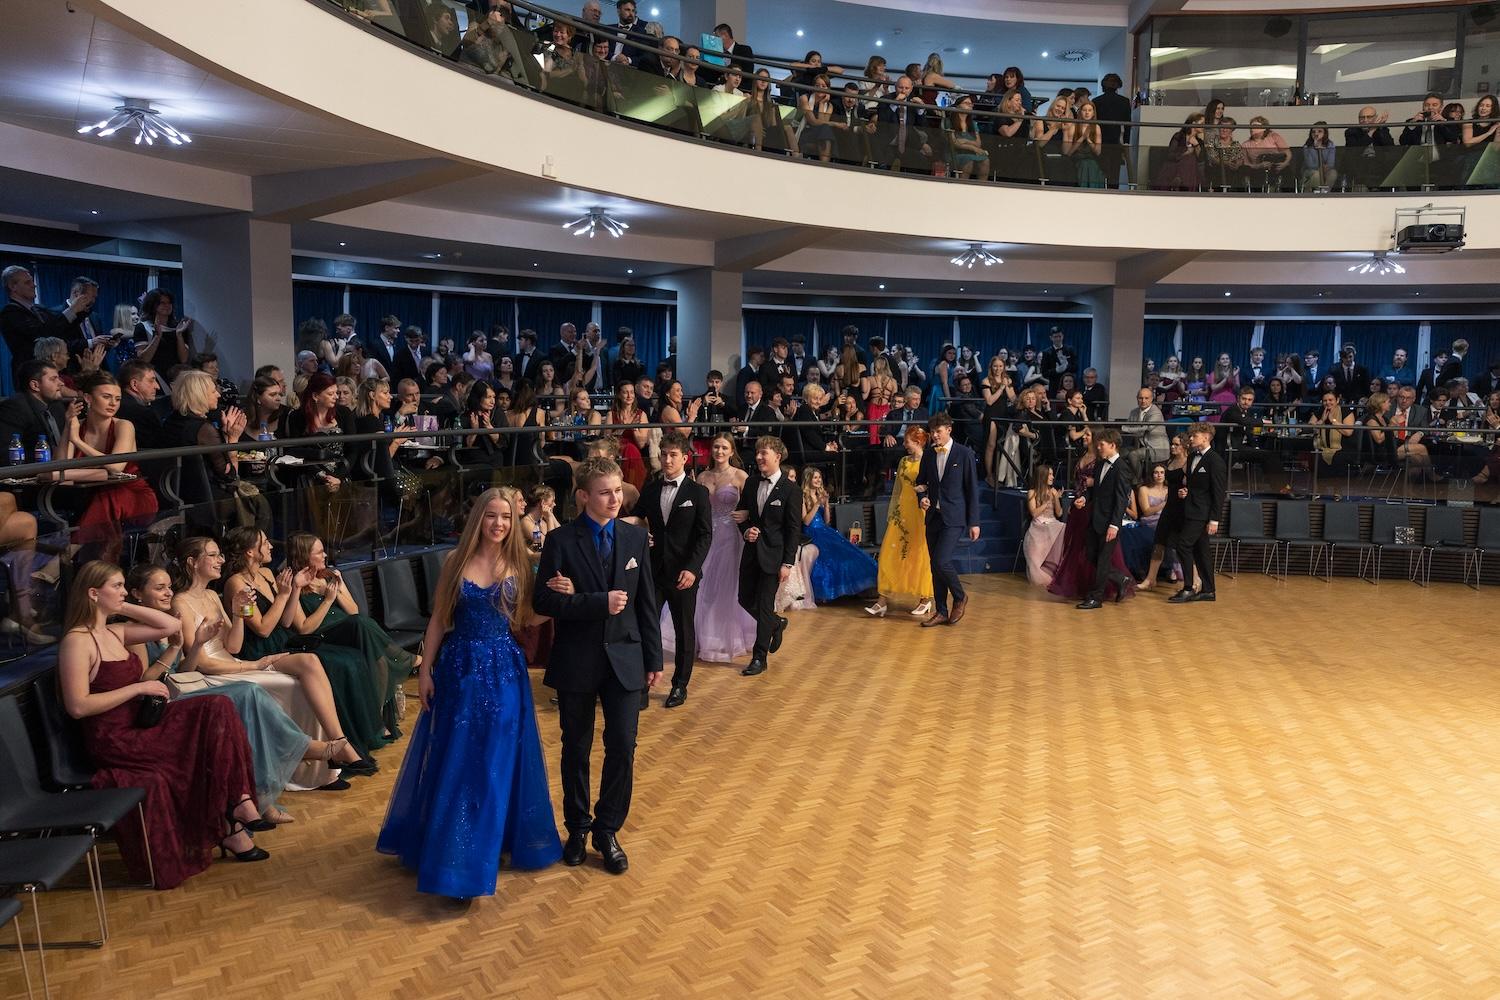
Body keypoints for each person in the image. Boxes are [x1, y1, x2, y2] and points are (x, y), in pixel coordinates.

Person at [377, 487, 560, 897]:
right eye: (492, 515)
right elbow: (439, 620)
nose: (499, 523)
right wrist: (425, 672)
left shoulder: (520, 563)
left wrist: (558, 601)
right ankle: (454, 856)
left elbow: (525, 618)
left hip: (504, 671)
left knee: (496, 758)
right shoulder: (454, 561)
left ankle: (483, 848)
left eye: (506, 517)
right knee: (458, 759)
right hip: (459, 670)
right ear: (479, 518)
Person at [58, 561, 268, 888]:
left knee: (218, 706)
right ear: (94, 593)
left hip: (141, 722)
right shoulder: (77, 641)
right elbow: (77, 706)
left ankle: (238, 800)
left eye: (124, 586)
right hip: (115, 737)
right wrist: (137, 688)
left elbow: (170, 625)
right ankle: (230, 823)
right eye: (117, 586)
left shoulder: (116, 631)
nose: (124, 592)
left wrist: (119, 605)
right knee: (198, 744)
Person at [125, 564, 346, 820]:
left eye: (168, 587)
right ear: (137, 594)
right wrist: (175, 649)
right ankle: (302, 750)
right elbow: (146, 682)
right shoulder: (135, 630)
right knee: (249, 693)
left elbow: (189, 668)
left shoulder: (177, 617)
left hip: (192, 682)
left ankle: (265, 791)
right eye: (160, 588)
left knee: (253, 699)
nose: (168, 593)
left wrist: (201, 640)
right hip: (167, 702)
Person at [534, 457, 661, 875]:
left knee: (623, 745)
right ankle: (577, 828)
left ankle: (607, 830)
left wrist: (654, 658)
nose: (615, 498)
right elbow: (542, 601)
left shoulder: (635, 536)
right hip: (577, 659)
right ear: (583, 496)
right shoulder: (560, 540)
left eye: (619, 490)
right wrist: (593, 602)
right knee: (576, 748)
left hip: (627, 658)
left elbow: (645, 602)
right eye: (606, 492)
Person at [286, 532, 415, 746]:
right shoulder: (296, 585)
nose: (325, 555)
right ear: (305, 556)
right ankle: (405, 658)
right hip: (324, 635)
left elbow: (354, 610)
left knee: (379, 659)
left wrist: (336, 591)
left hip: (351, 629)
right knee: (361, 624)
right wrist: (327, 601)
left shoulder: (331, 575)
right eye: (319, 552)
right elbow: (304, 628)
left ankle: (376, 719)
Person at [635, 433, 712, 710]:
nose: (667, 460)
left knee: (684, 631)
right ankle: (642, 684)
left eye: (673, 455)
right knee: (646, 627)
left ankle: (680, 684)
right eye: (664, 454)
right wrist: (642, 533)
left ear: (685, 458)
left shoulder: (698, 492)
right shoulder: (651, 488)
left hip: (684, 574)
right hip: (654, 571)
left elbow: (705, 535)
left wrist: (692, 569)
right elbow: (636, 518)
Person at [731, 436, 800, 677]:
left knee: (763, 604)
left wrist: (787, 563)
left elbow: (793, 530)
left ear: (777, 457)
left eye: (764, 453)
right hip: (751, 553)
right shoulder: (751, 483)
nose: (759, 457)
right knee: (744, 598)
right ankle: (775, 623)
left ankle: (759, 657)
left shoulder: (791, 490)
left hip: (774, 556)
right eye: (758, 452)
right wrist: (745, 530)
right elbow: (741, 515)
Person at [914, 412, 979, 627]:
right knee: (935, 566)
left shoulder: (964, 454)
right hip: (933, 517)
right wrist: (922, 498)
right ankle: (941, 611)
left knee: (941, 561)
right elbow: (920, 483)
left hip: (954, 517)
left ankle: (960, 596)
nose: (934, 435)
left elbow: (972, 490)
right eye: (932, 432)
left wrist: (974, 522)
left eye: (938, 431)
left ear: (949, 430)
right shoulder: (929, 454)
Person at [865, 427, 933, 617]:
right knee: (889, 552)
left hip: (920, 513)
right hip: (902, 513)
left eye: (907, 441)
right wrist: (893, 513)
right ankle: (882, 600)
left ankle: (925, 598)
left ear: (917, 442)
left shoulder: (928, 461)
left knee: (919, 555)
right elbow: (897, 490)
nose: (904, 444)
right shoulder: (903, 461)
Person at [1074, 428, 1134, 610]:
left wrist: (1114, 525)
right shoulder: (1100, 464)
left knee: (1103, 560)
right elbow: (1095, 491)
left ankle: (1096, 597)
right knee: (1091, 554)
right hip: (1095, 518)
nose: (1098, 447)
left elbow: (1121, 500)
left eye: (1101, 444)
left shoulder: (1122, 468)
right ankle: (1120, 579)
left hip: (1110, 522)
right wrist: (1085, 498)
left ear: (1112, 445)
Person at [798, 466, 877, 603]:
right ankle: (826, 593)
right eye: (815, 477)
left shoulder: (820, 494)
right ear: (808, 479)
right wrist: (817, 504)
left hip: (825, 530)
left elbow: (827, 521)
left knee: (850, 553)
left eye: (819, 477)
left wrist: (826, 504)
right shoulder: (803, 497)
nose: (818, 480)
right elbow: (806, 521)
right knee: (827, 559)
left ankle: (860, 590)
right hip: (812, 533)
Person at [1170, 423, 1227, 604]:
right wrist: (1186, 492)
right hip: (1191, 508)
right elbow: (1195, 486)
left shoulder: (1215, 461)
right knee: (1201, 551)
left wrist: (1215, 519)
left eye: (1194, 435)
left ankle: (1188, 588)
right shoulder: (1193, 456)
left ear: (1206, 437)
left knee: (1183, 546)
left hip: (1202, 513)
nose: (1191, 438)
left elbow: (1219, 492)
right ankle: (1209, 590)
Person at [1022, 464, 1065, 589]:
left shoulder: (1053, 491)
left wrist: (1056, 498)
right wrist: (1047, 502)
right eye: (1050, 474)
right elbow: (1034, 513)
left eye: (1052, 474)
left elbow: (1059, 513)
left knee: (1063, 528)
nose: (1052, 477)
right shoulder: (1032, 492)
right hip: (1039, 525)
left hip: (1052, 523)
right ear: (1043, 476)